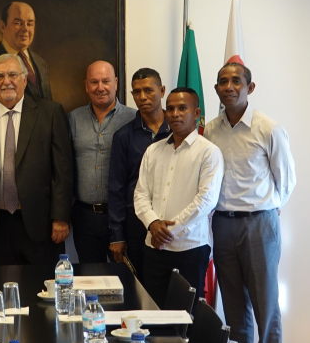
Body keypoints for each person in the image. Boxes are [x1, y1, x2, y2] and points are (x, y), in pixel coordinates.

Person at [204, 62, 296, 343]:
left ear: (249, 88)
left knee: (265, 306)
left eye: (236, 81)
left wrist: (268, 208)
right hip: (224, 226)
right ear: (216, 89)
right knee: (235, 307)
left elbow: (286, 179)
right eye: (222, 82)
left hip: (260, 225)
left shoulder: (268, 128)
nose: (229, 87)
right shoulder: (211, 130)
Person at [0, 54, 73, 265]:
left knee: (43, 289)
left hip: (40, 222)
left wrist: (60, 217)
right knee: (3, 286)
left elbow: (63, 170)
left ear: (24, 80)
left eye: (12, 74)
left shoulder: (50, 112)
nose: (6, 81)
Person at [133, 88, 223, 308]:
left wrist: (167, 232)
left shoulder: (209, 152)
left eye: (182, 108)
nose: (174, 113)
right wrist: (153, 224)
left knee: (187, 316)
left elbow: (206, 200)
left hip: (190, 249)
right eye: (170, 108)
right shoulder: (153, 151)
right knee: (153, 313)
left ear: (197, 113)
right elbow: (141, 194)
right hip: (154, 248)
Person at [66, 61, 136, 263]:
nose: (100, 87)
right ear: (86, 85)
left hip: (123, 216)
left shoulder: (133, 119)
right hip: (85, 216)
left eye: (106, 81)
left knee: (125, 279)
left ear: (115, 83)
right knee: (90, 277)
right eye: (94, 82)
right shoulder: (73, 119)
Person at [107, 68, 171, 280]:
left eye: (148, 90)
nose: (142, 97)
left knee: (171, 286)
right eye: (136, 92)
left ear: (161, 91)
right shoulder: (124, 136)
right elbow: (116, 188)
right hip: (136, 224)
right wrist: (117, 235)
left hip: (171, 221)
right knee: (140, 286)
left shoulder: (178, 131)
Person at [0, 2, 51, 110]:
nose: (25, 29)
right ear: (2, 26)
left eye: (30, 24)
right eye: (17, 23)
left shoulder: (40, 63)